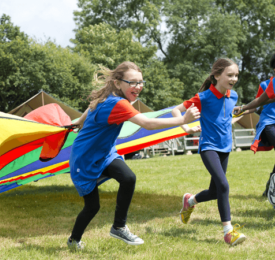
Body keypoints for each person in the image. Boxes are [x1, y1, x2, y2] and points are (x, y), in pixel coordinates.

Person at [67, 61, 200, 250]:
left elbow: (90, 107)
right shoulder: (118, 103)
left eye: (140, 82)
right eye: (132, 82)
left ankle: (118, 227)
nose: (138, 87)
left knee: (128, 178)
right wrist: (183, 119)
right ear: (117, 83)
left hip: (105, 154)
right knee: (92, 207)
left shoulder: (109, 97)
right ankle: (73, 240)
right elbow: (147, 123)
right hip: (85, 159)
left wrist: (79, 122)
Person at [171, 58, 246, 246]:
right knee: (224, 185)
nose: (234, 78)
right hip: (209, 147)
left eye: (236, 75)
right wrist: (186, 128)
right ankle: (228, 232)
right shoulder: (203, 97)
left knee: (215, 191)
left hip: (225, 148)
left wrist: (236, 112)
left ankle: (190, 200)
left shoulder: (233, 96)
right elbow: (175, 110)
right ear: (216, 75)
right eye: (230, 75)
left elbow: (225, 115)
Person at [233, 53, 275, 197]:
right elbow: (258, 104)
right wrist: (242, 109)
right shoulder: (266, 84)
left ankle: (270, 187)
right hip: (269, 122)